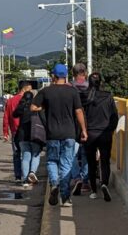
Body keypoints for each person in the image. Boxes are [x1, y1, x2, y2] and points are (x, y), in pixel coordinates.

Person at [31, 64, 87, 207]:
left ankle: (54, 184)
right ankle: (66, 197)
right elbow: (79, 112)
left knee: (52, 161)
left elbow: (33, 107)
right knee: (66, 164)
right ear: (66, 76)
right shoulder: (72, 92)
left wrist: (44, 106)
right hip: (69, 133)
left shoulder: (46, 91)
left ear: (53, 76)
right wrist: (84, 130)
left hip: (52, 134)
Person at [83, 72, 119, 201]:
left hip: (90, 134)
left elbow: (80, 115)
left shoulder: (84, 96)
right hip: (104, 133)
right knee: (105, 160)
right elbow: (114, 116)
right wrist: (110, 130)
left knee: (91, 162)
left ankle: (93, 190)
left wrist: (82, 131)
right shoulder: (108, 96)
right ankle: (104, 183)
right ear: (101, 82)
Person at [3, 80, 32, 183]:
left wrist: (5, 132)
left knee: (16, 154)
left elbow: (6, 117)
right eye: (30, 89)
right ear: (25, 89)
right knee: (27, 153)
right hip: (27, 130)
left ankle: (18, 176)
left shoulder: (10, 101)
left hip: (15, 131)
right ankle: (27, 175)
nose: (31, 91)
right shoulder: (30, 100)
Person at [13, 90, 43, 186]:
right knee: (35, 154)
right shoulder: (37, 107)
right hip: (35, 134)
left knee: (25, 157)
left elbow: (14, 114)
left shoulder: (22, 107)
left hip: (22, 135)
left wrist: (22, 103)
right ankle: (32, 172)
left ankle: (25, 180)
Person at [70, 63, 90, 196]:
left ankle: (76, 177)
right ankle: (85, 181)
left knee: (71, 154)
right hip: (89, 124)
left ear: (73, 73)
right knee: (87, 155)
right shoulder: (91, 87)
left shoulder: (69, 87)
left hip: (72, 125)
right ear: (85, 72)